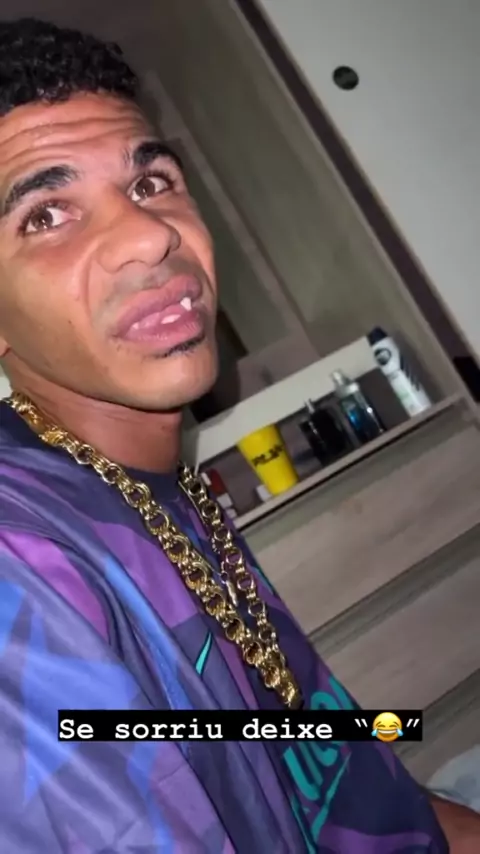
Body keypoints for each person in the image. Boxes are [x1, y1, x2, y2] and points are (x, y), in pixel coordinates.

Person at [0, 16, 477, 853]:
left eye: (151, 182)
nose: (149, 233)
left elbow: (339, 777)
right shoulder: (24, 562)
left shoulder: (156, 481)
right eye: (46, 215)